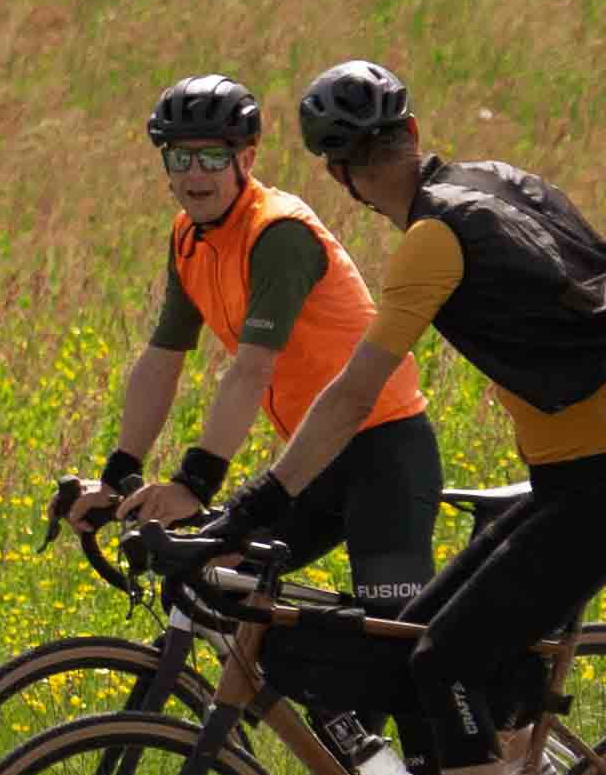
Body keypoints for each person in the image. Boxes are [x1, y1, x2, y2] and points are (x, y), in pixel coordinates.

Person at [178, 59, 606, 775]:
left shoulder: (431, 241)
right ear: (415, 134)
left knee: (443, 657)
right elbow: (597, 269)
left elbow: (354, 394)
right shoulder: (495, 179)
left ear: (338, 177)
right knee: (417, 646)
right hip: (581, 480)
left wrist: (256, 504)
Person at [71, 73, 444, 597]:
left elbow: (252, 369)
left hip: (384, 453)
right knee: (216, 584)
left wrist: (194, 484)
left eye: (212, 158)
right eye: (180, 158)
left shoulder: (278, 234)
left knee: (393, 631)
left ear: (246, 159)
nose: (195, 174)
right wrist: (117, 476)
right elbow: (162, 358)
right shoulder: (190, 236)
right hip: (312, 457)